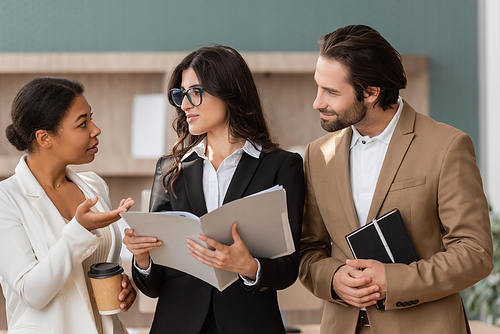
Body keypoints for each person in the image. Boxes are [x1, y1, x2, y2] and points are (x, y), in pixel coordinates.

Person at [298, 25, 493, 334]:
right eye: (318, 87)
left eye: (332, 92)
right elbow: (309, 249)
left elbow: (474, 252)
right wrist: (333, 279)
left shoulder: (446, 146)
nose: (317, 102)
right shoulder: (317, 154)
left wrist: (394, 281)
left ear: (372, 92)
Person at [123, 44, 305, 334]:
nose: (184, 105)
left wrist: (249, 267)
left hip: (250, 324)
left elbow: (288, 268)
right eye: (180, 95)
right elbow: (152, 286)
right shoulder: (171, 169)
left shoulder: (282, 166)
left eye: (195, 92)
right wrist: (142, 258)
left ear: (229, 90)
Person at [0, 77, 136, 334]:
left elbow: (97, 268)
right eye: (82, 123)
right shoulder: (6, 199)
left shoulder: (93, 186)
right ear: (44, 138)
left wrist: (123, 287)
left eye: (91, 119)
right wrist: (78, 231)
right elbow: (32, 292)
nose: (95, 129)